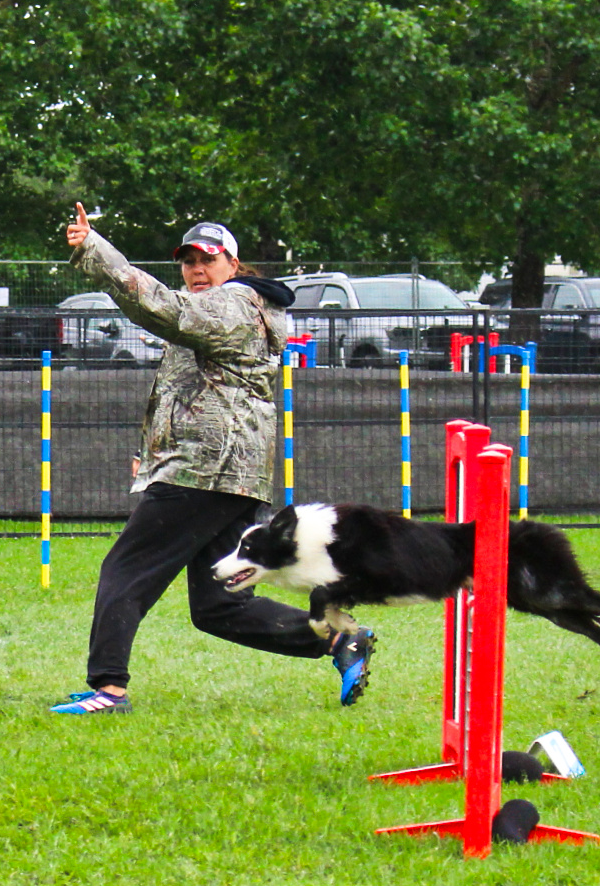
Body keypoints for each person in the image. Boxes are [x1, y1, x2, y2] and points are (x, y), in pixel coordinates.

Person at [49, 203, 373, 715]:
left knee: (125, 570)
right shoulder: (228, 307)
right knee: (219, 605)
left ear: (233, 265)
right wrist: (149, 455)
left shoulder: (233, 303)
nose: (197, 270)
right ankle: (337, 639)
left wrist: (95, 249)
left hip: (204, 471)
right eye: (188, 261)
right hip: (230, 473)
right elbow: (190, 391)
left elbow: (161, 308)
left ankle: (108, 691)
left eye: (208, 259)